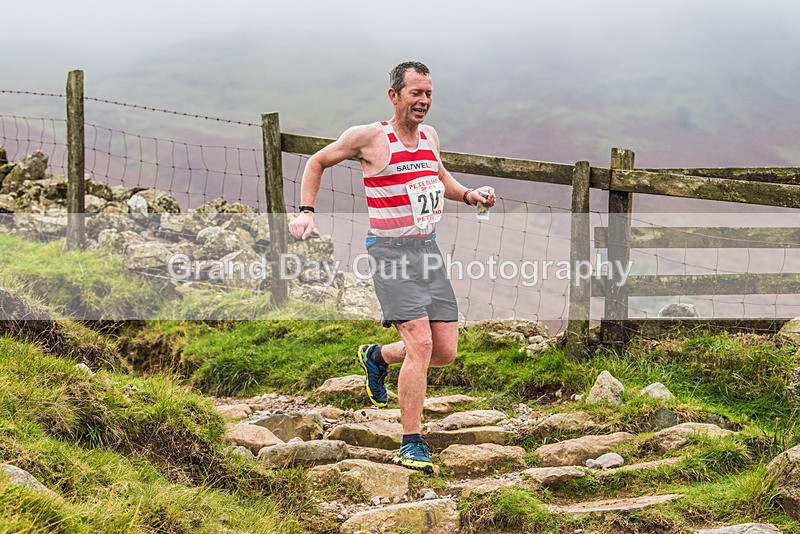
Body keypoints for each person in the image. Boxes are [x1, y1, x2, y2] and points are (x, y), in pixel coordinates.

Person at [288, 61, 496, 473]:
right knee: (420, 345)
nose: (423, 101)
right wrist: (306, 211)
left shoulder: (430, 137)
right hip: (389, 253)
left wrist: (470, 195)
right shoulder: (369, 137)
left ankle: (378, 357)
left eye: (429, 94)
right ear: (395, 96)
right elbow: (317, 161)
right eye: (416, 93)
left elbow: (438, 177)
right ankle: (411, 442)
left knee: (445, 351)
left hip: (428, 251)